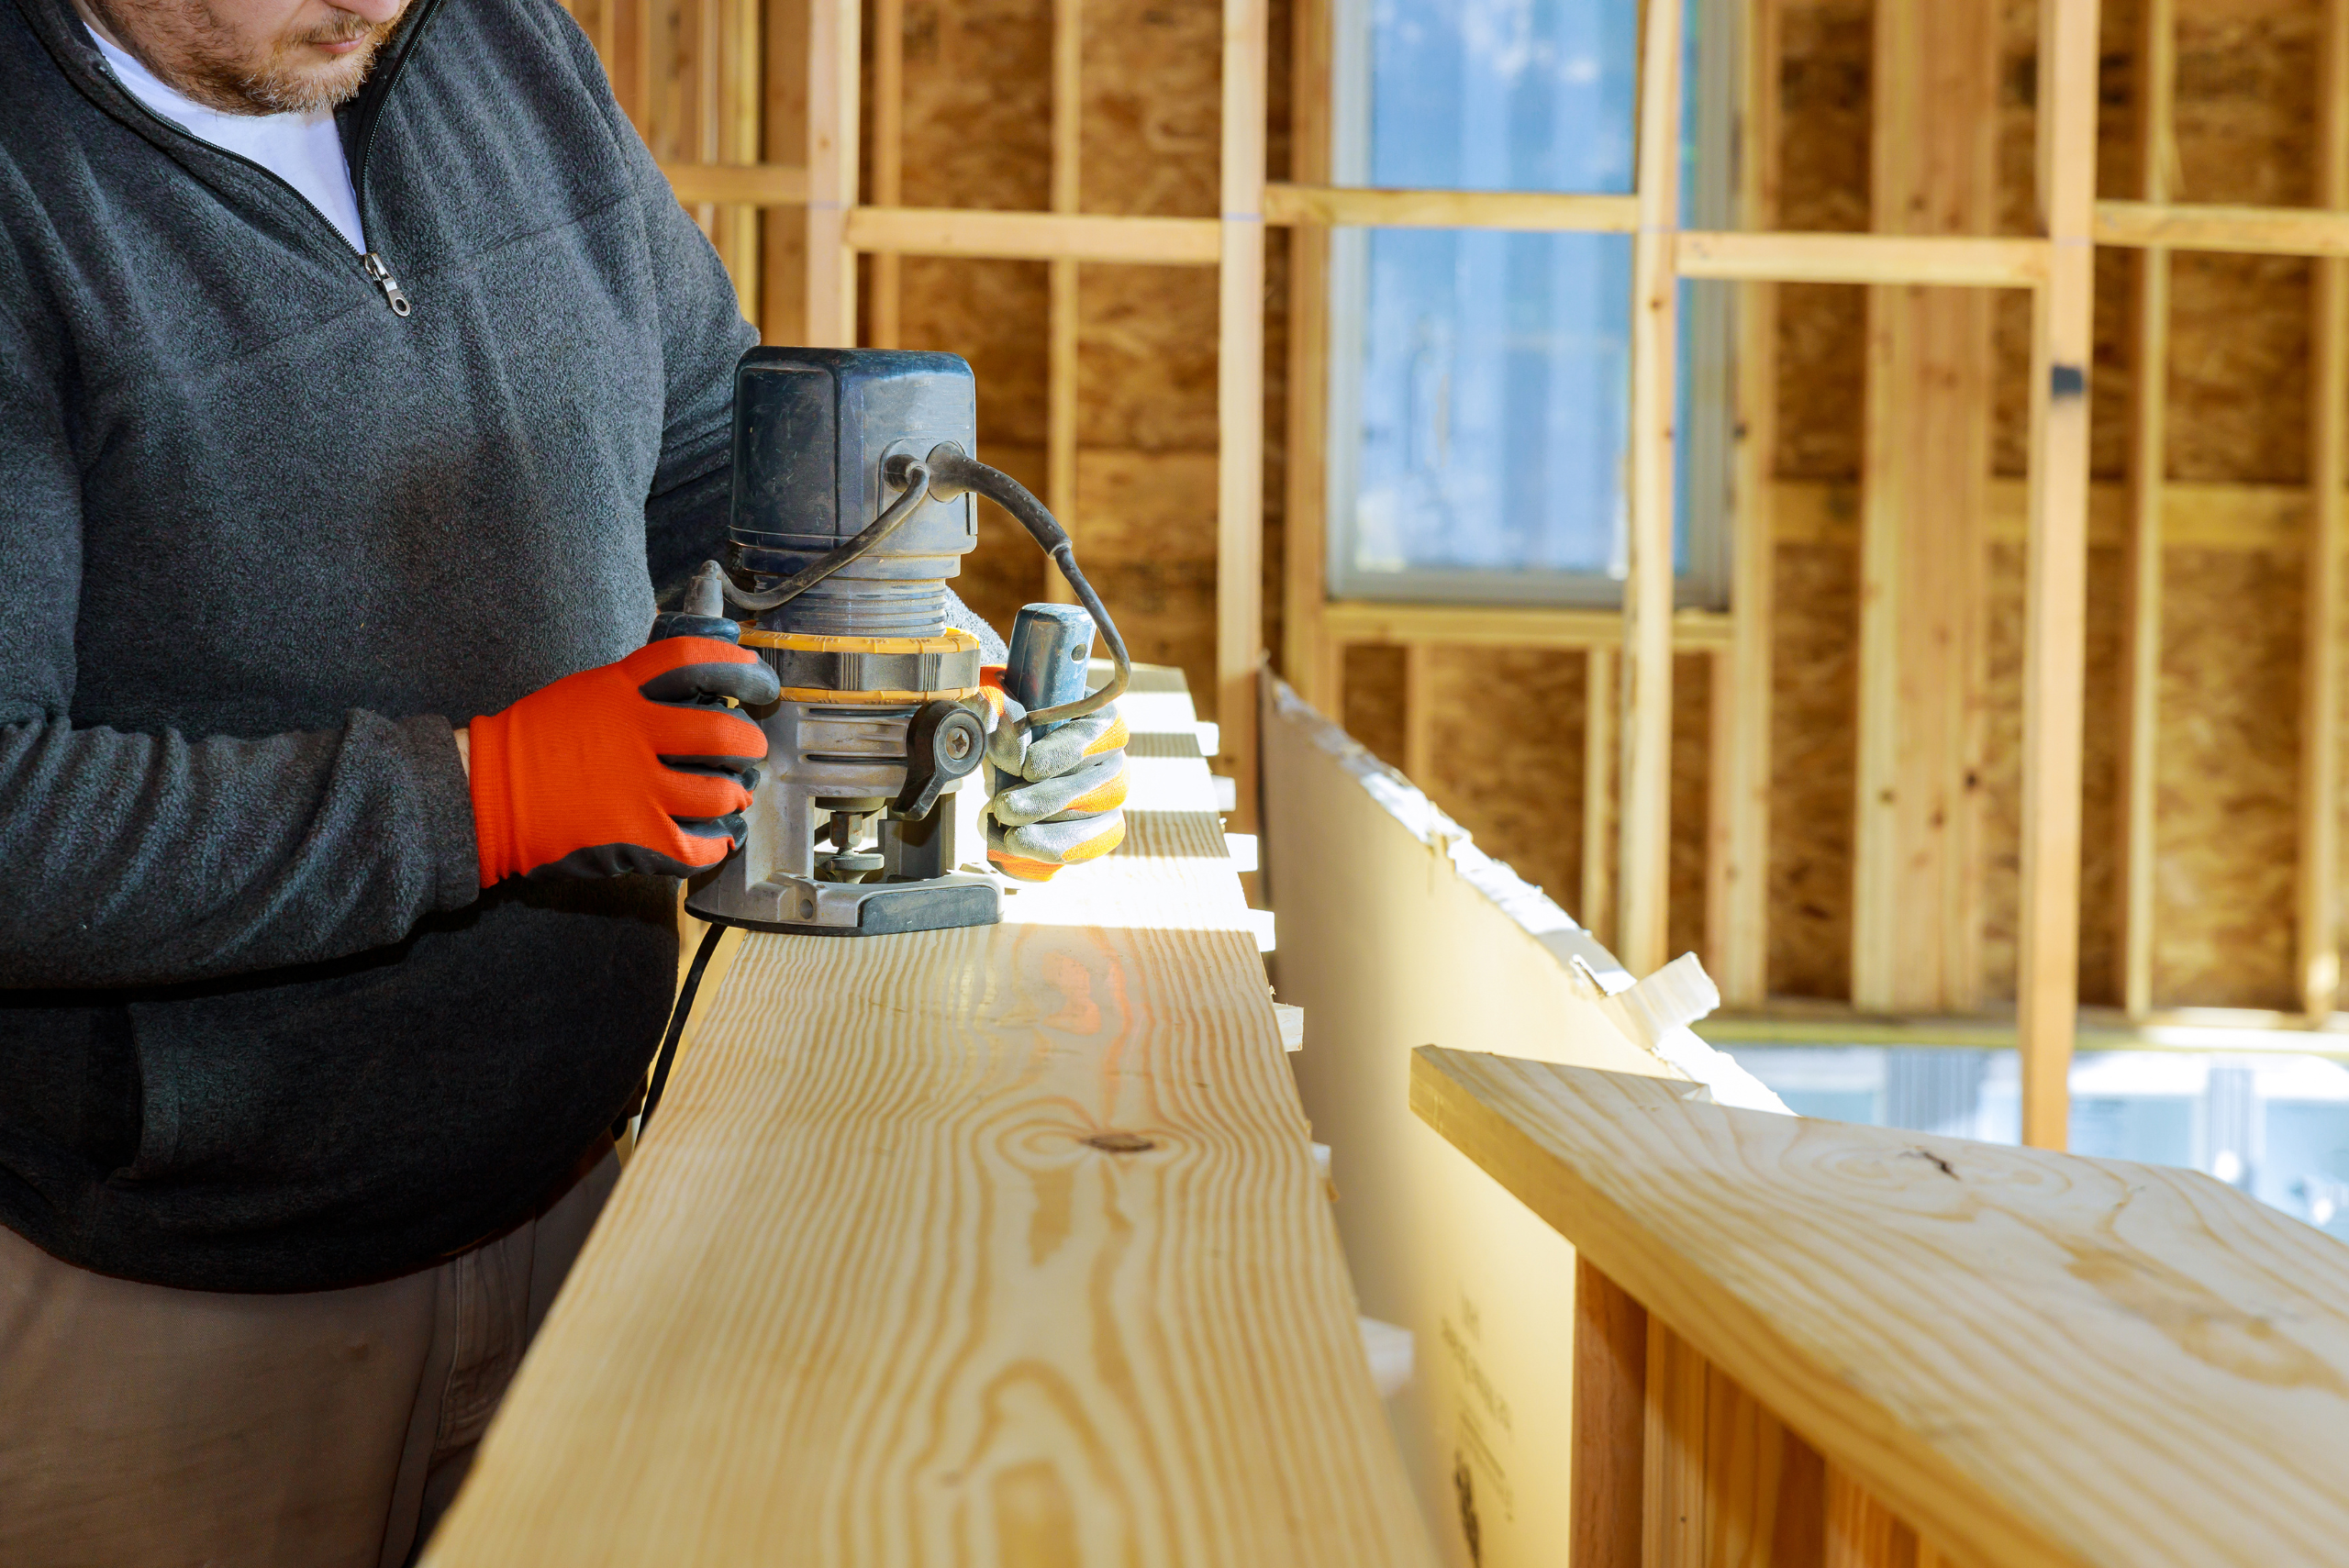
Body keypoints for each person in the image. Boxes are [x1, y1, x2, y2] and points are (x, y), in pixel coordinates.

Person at [0, 0, 1127, 1560]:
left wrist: (911, 668)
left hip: (592, 1199)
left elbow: (704, 467)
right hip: (187, 1299)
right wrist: (488, 793)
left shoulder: (496, 40)